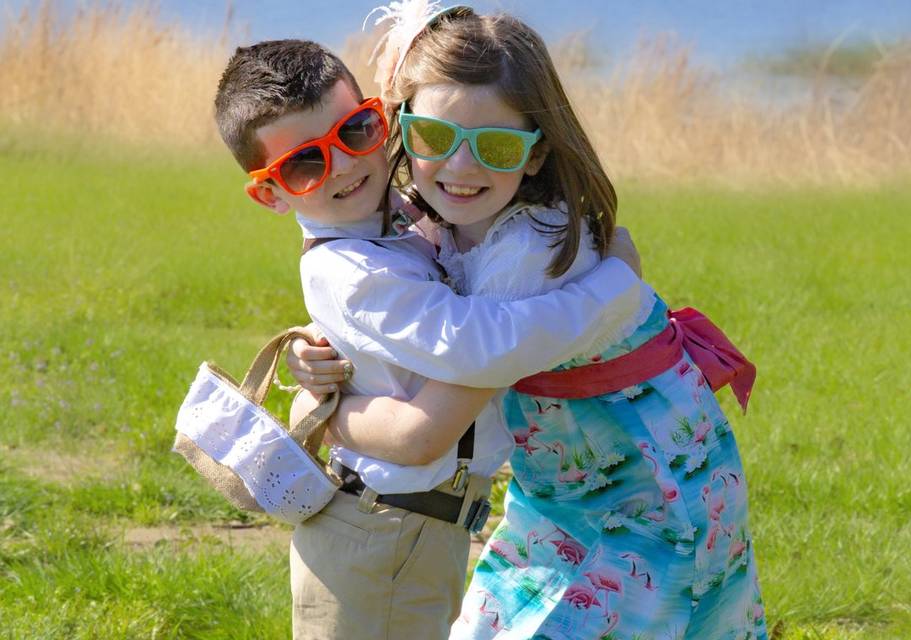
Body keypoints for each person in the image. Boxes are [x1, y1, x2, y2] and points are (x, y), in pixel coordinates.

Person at [291, 5, 768, 639]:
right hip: (565, 489)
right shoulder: (445, 222)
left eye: (494, 146)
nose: (461, 168)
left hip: (651, 496)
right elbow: (400, 309)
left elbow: (424, 431)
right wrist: (323, 352)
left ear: (537, 153)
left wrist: (326, 405)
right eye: (436, 137)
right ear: (400, 127)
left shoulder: (525, 256)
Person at [212, 39, 648, 640]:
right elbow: (479, 345)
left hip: (413, 527)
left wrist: (318, 350)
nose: (342, 166)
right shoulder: (352, 269)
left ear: (382, 118)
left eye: (356, 131)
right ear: (271, 193)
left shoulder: (402, 217)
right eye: (305, 164)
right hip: (380, 534)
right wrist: (613, 288)